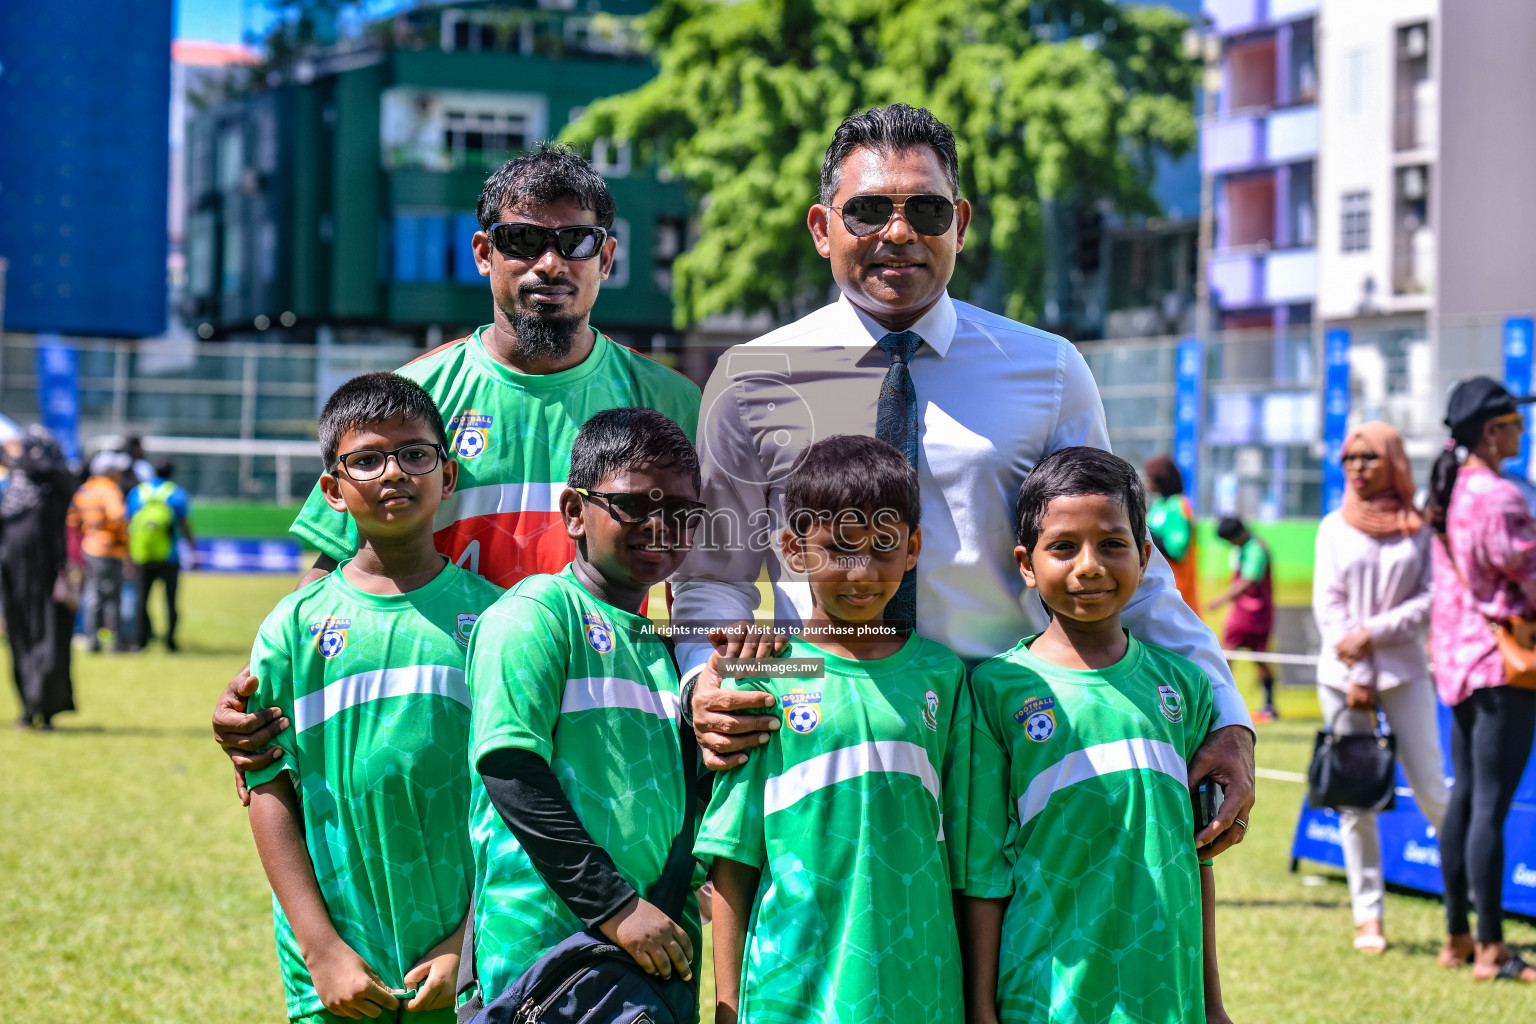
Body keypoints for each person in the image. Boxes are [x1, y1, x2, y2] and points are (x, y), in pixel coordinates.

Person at [673, 103, 1255, 855]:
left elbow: (1123, 563)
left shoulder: (1049, 371)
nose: (899, 231)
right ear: (822, 227)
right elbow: (710, 578)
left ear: (962, 223)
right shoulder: (750, 379)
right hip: (824, 745)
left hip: (1009, 742)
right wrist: (702, 682)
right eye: (868, 210)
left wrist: (1227, 714)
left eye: (926, 208)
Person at [210, 143, 701, 799]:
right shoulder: (414, 397)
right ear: (482, 253)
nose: (549, 263)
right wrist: (258, 683)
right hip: (446, 715)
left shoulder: (672, 402)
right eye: (521, 240)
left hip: (606, 721)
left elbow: (705, 581)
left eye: (575, 241)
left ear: (606, 258)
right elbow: (339, 568)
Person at [244, 373, 504, 1022]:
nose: (394, 473)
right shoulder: (292, 629)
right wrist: (321, 950)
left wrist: (467, 944)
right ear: (331, 489)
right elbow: (268, 787)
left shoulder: (497, 621)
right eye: (366, 460)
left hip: (466, 960)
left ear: (448, 476)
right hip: (338, 967)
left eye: (415, 454)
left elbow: (516, 791)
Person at [701, 435, 969, 1024]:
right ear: (793, 550)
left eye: (883, 547)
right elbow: (734, 854)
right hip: (791, 982)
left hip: (919, 981)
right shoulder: (763, 673)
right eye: (838, 549)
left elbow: (967, 854)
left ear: (913, 547)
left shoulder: (943, 676)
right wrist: (726, 1005)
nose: (861, 571)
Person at [961, 447, 1231, 1024]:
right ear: (1027, 564)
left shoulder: (1184, 686)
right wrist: (981, 1010)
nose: (1089, 566)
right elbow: (983, 868)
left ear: (1144, 555)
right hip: (1047, 995)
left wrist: (1210, 1001)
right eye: (1063, 547)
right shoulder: (998, 690)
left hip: (1166, 992)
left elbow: (1198, 858)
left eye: (1113, 544)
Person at [466, 408, 705, 1005]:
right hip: (539, 959)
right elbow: (510, 770)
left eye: (681, 512)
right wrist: (616, 907)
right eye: (634, 505)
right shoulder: (537, 614)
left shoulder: (670, 644)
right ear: (575, 511)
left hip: (656, 947)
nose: (660, 526)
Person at [1313, 421, 1448, 954]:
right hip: (1343, 678)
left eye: (1369, 457)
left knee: (1434, 789)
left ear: (1393, 460)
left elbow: (1431, 599)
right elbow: (1330, 605)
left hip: (1406, 671)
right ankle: (1368, 916)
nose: (1357, 466)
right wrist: (1360, 674)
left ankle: (1462, 905)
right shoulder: (1333, 526)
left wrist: (1373, 633)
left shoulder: (1420, 529)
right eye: (1350, 457)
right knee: (1356, 800)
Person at [1426, 376, 1536, 983]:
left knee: (1467, 798)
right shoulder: (1499, 496)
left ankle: (1459, 938)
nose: (1523, 430)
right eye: (1516, 422)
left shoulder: (1453, 489)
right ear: (1493, 431)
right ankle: (1493, 950)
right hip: (1502, 664)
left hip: (1459, 662)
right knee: (1489, 804)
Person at [1, 426, 76, 730]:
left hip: (46, 578)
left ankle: (44, 710)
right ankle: (28, 708)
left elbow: (57, 474)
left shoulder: (52, 484)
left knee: (47, 643)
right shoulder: (11, 492)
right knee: (21, 642)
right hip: (15, 580)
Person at [1210, 516, 1277, 722]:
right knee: (1257, 658)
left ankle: (1224, 704)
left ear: (1237, 535)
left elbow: (1248, 581)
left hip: (1250, 612)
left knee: (1228, 657)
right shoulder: (1247, 547)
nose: (1230, 545)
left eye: (1230, 540)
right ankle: (1267, 704)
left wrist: (1221, 599)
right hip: (1255, 612)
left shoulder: (1255, 549)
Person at [127, 458, 196, 652]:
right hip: (169, 556)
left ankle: (140, 641)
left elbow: (128, 525)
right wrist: (192, 547)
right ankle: (170, 641)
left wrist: (128, 554)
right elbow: (184, 524)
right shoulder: (176, 494)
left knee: (141, 600)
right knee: (170, 601)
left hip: (142, 555)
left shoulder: (137, 493)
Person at [68, 450, 132, 653]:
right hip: (110, 550)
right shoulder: (110, 490)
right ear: (110, 472)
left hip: (89, 547)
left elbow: (72, 519)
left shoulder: (84, 490)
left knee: (92, 594)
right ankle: (117, 643)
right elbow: (117, 517)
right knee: (113, 597)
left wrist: (90, 531)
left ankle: (92, 641)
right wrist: (122, 540)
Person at [1144, 454, 1200, 610]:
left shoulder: (1179, 505)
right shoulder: (1159, 504)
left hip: (1176, 584)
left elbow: (1177, 550)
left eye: (1150, 477)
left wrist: (1146, 533)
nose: (1147, 481)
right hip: (1155, 582)